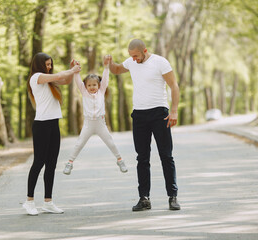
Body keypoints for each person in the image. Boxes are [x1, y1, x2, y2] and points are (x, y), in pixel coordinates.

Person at [107, 39, 181, 211]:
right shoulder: (132, 62)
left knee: (166, 156)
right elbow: (117, 69)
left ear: (145, 50)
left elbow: (174, 86)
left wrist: (174, 110)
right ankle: (144, 198)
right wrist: (110, 63)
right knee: (142, 157)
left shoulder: (160, 62)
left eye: (136, 56)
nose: (133, 59)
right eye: (131, 56)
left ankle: (172, 196)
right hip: (139, 115)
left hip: (160, 113)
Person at [22, 52, 81, 215]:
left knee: (51, 164)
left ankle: (48, 202)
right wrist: (71, 70)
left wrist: (72, 70)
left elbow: (65, 79)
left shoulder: (49, 80)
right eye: (47, 64)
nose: (49, 67)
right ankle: (29, 201)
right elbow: (60, 75)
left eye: (50, 64)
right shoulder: (37, 77)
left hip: (54, 123)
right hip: (41, 125)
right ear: (39, 65)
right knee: (38, 162)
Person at [63, 56, 127, 175]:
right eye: (89, 85)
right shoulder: (84, 92)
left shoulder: (101, 91)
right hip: (88, 123)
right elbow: (77, 80)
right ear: (85, 86)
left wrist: (106, 66)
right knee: (79, 143)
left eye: (94, 85)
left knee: (110, 142)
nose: (92, 87)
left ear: (98, 85)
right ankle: (69, 163)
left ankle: (120, 160)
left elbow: (106, 79)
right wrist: (75, 69)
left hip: (100, 123)